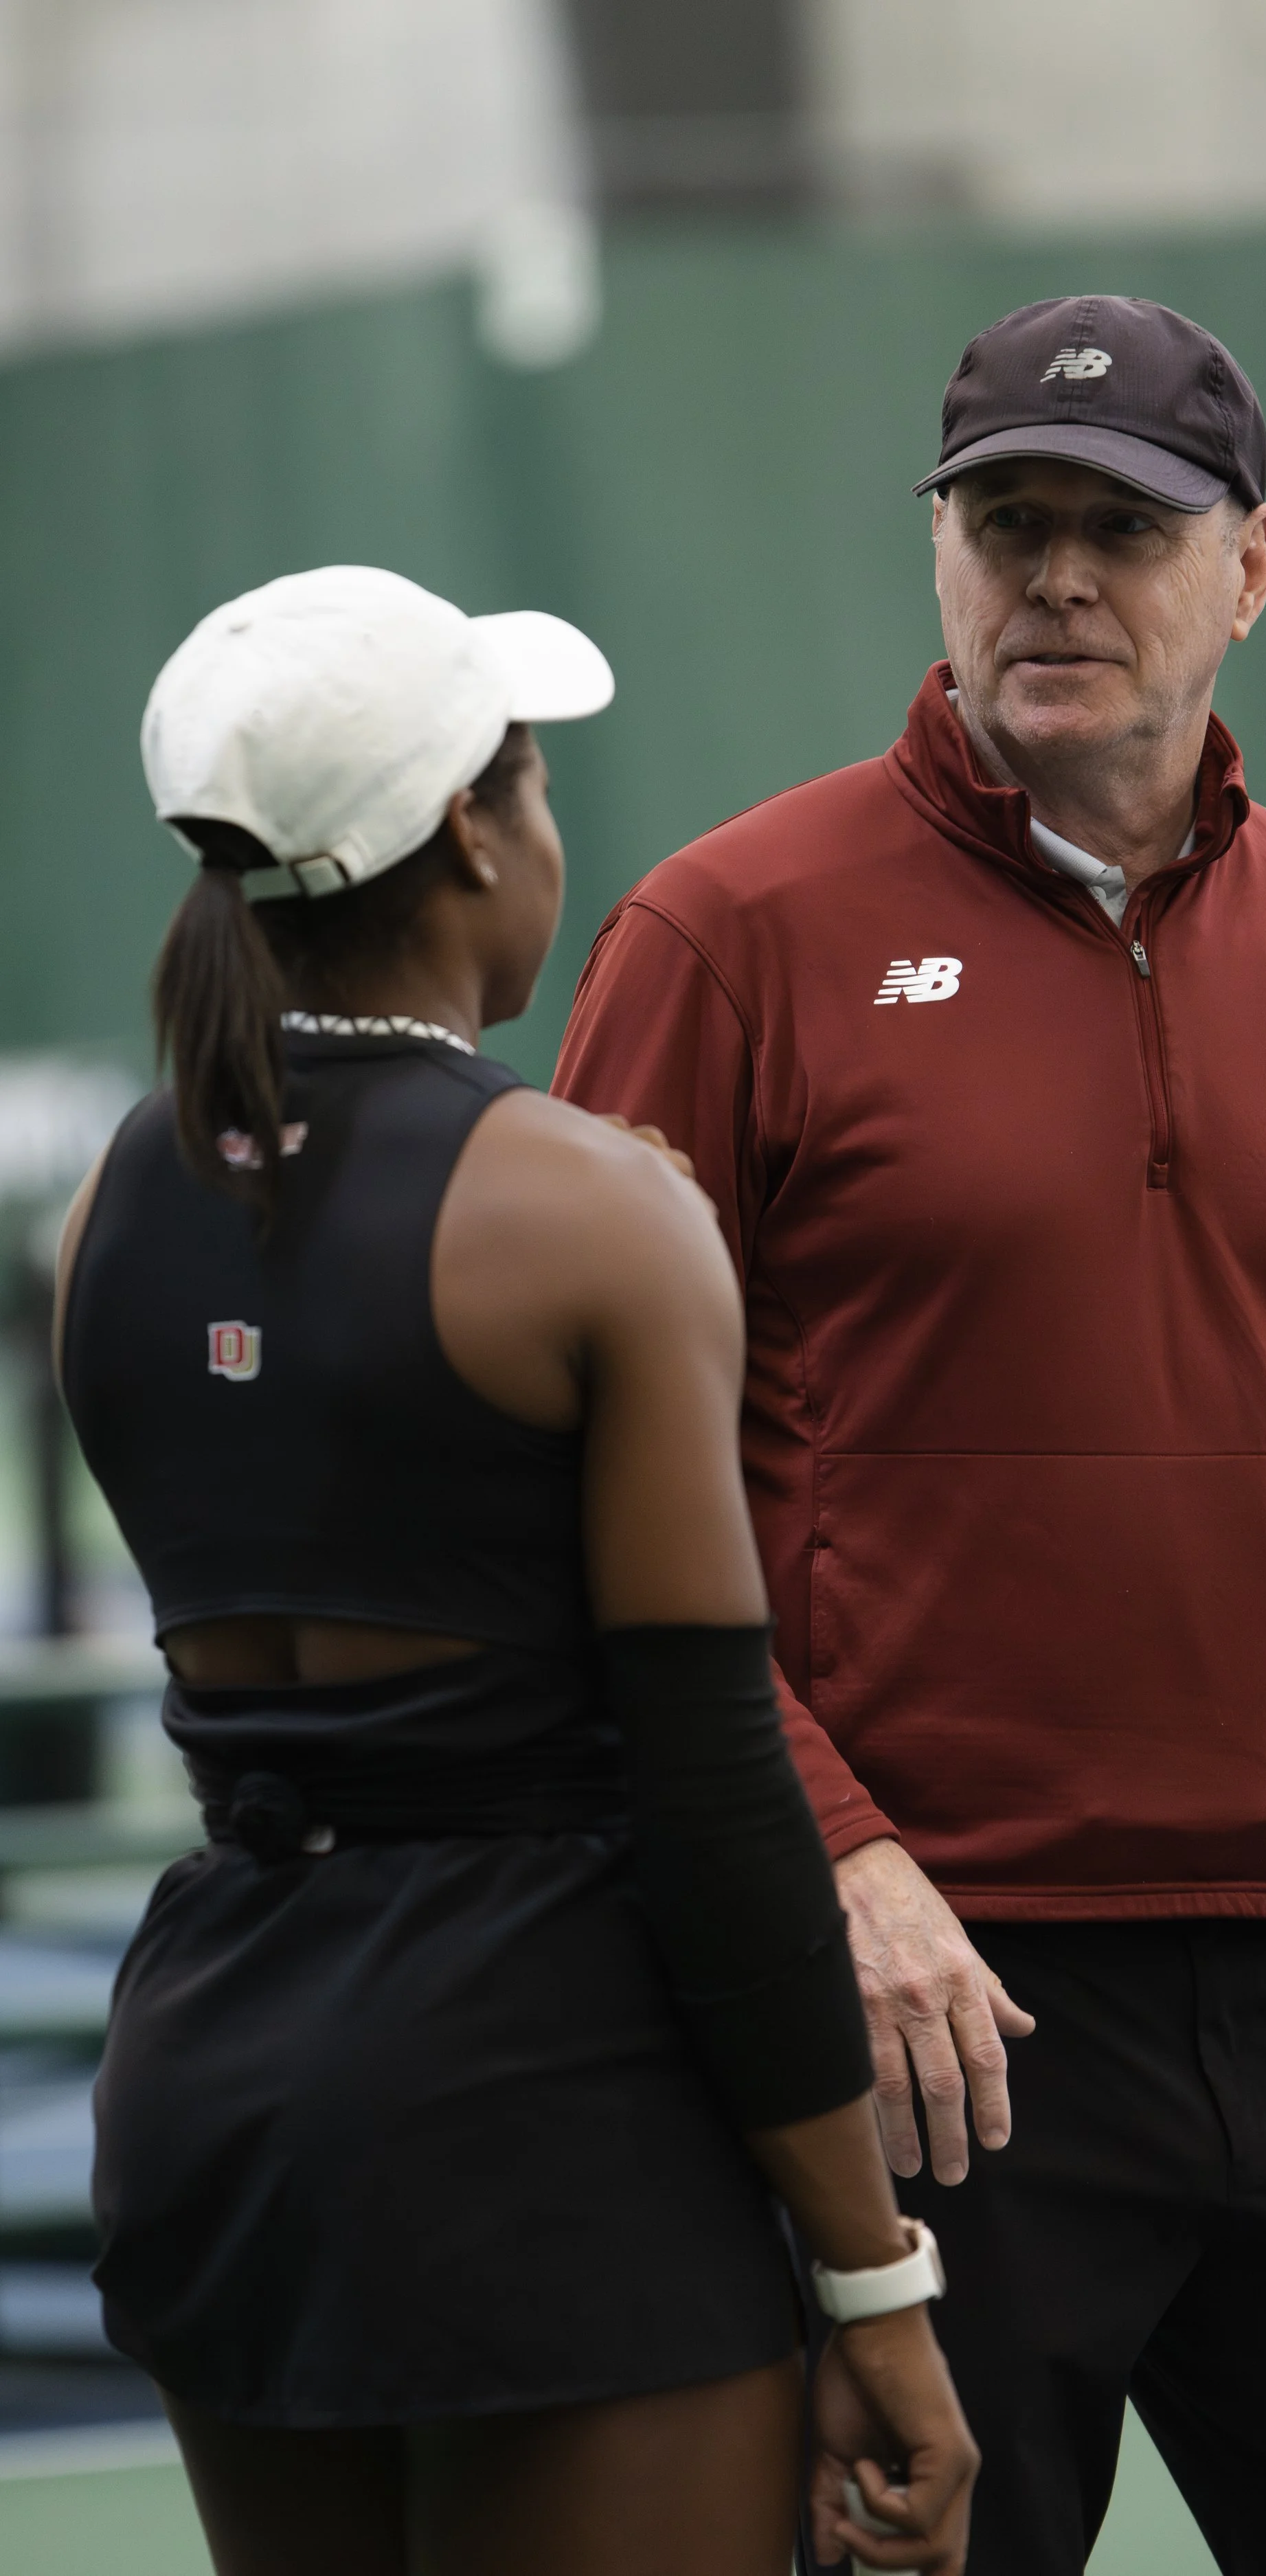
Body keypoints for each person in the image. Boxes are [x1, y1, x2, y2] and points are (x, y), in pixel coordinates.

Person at [552, 297, 1266, 2575]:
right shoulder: (725, 939)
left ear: (1247, 568)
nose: (1055, 579)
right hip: (930, 2026)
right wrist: (831, 1856)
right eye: (1005, 522)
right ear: (937, 558)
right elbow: (572, 1500)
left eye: (1120, 530)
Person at [56, 565, 976, 2576]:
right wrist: (868, 2275)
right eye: (533, 777)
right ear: (474, 828)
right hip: (537, 2121)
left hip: (218, 2105)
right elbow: (715, 1785)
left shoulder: (105, 1210)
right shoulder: (589, 1206)